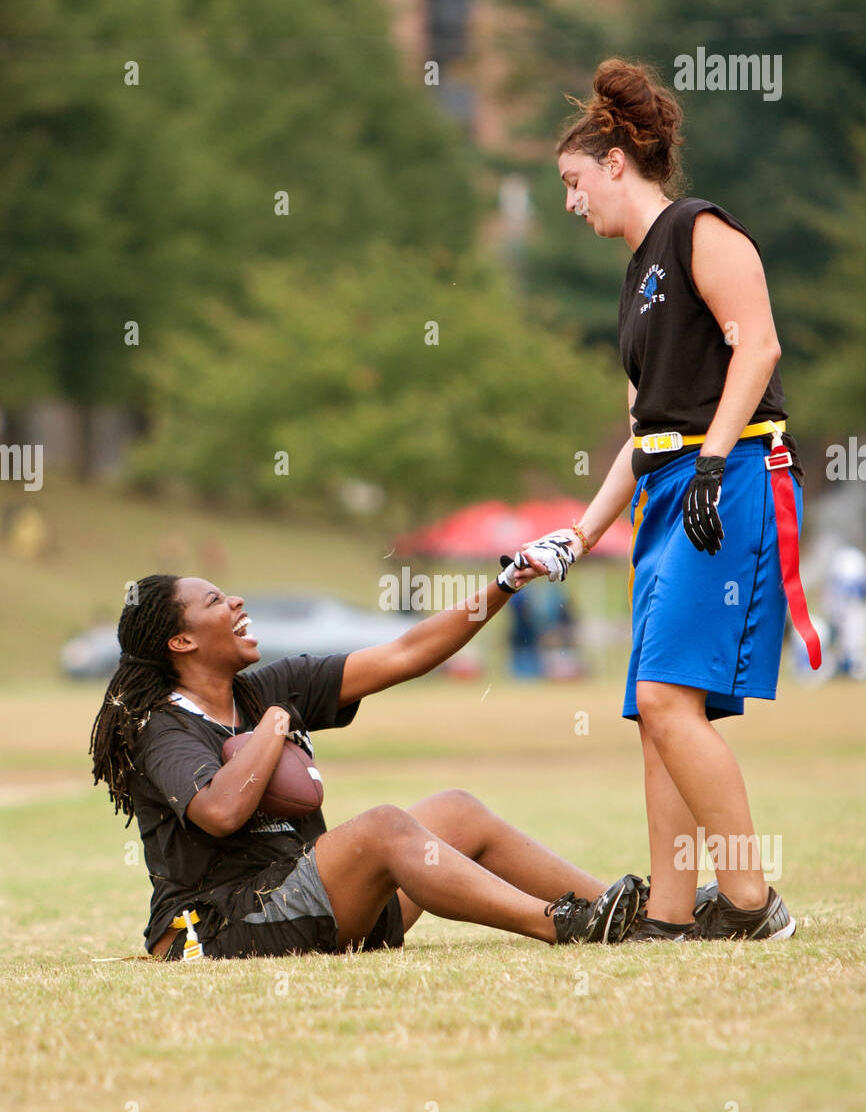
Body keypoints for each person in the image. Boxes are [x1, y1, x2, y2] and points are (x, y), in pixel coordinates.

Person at [551, 58, 820, 942]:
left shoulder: (699, 231)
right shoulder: (634, 276)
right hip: (669, 490)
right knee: (656, 714)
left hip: (731, 480)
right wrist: (582, 531)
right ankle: (670, 915)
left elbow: (760, 350)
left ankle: (752, 906)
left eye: (574, 181)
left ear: (617, 163)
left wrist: (708, 465)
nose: (570, 201)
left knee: (670, 701)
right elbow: (643, 430)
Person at [89, 555, 643, 961]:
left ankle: (634, 916)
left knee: (456, 810)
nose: (236, 602)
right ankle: (561, 925)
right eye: (214, 602)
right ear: (181, 643)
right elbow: (220, 811)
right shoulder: (158, 726)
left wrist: (504, 585)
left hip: (311, 901)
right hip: (216, 926)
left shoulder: (269, 686)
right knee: (382, 828)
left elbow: (408, 653)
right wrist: (276, 724)